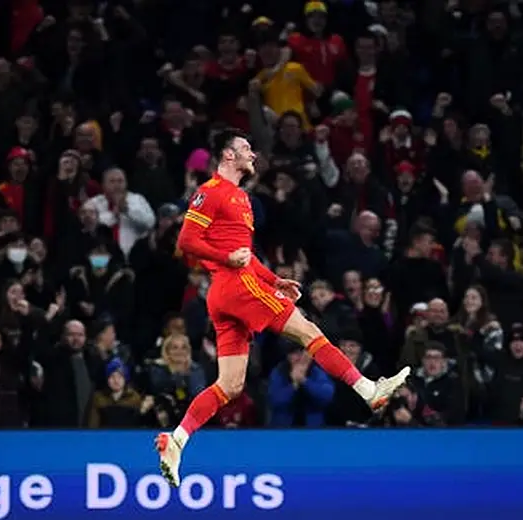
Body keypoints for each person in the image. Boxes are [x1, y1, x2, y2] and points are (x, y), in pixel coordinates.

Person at [155, 129, 410, 486]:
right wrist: (226, 257)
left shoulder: (242, 199)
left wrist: (274, 280)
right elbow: (186, 241)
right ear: (228, 155)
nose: (253, 154)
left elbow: (246, 254)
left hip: (233, 290)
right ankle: (369, 390)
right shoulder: (210, 192)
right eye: (246, 149)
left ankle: (177, 440)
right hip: (236, 286)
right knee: (309, 332)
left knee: (230, 385)